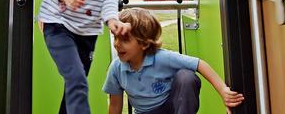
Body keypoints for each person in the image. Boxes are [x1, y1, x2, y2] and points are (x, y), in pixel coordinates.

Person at [103, 8, 245, 114]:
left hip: (171, 107)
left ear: (144, 44)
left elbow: (199, 64)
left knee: (187, 77)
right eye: (115, 38)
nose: (117, 44)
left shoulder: (162, 58)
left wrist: (223, 91)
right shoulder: (116, 68)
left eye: (125, 39)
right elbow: (115, 106)